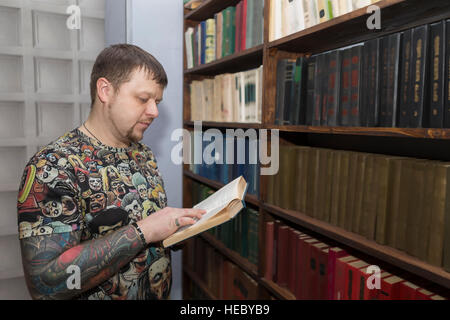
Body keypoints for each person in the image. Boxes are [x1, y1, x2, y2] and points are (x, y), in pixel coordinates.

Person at [16, 44, 205, 300]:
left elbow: (146, 232)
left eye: (157, 101)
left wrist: (172, 231)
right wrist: (144, 231)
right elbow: (46, 284)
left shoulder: (143, 155)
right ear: (106, 90)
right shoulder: (52, 166)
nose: (154, 112)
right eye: (143, 99)